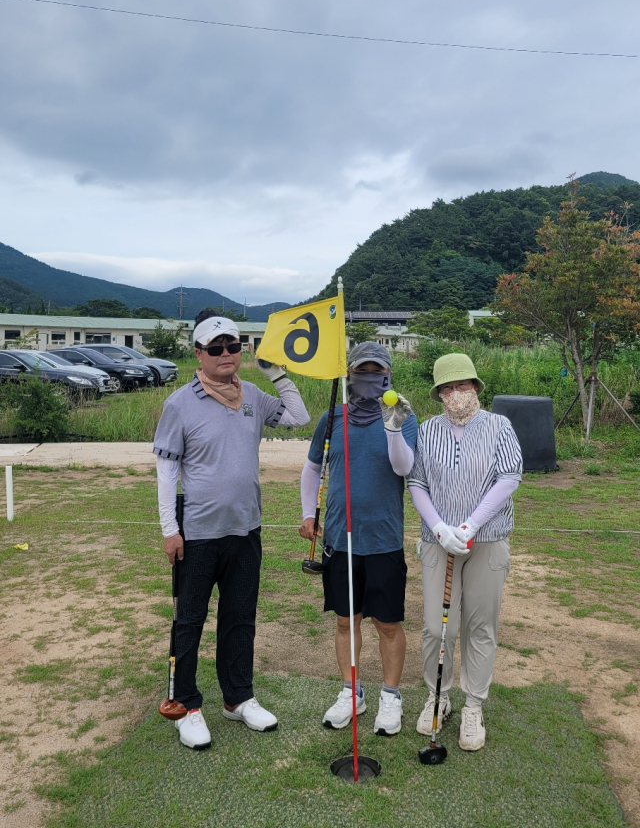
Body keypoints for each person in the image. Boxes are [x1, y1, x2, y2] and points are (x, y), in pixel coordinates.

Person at [154, 310, 310, 750]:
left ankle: (237, 698)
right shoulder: (180, 404)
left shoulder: (253, 397)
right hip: (198, 532)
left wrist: (278, 374)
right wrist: (170, 529)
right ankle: (185, 703)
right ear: (199, 354)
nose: (226, 354)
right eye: (216, 348)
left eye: (233, 346)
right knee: (189, 621)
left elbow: (298, 417)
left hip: (245, 530)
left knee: (240, 618)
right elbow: (167, 471)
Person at [299, 342, 418, 737]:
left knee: (387, 624)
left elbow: (404, 466)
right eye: (362, 372)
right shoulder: (331, 418)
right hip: (339, 538)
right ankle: (352, 692)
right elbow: (312, 467)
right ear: (350, 375)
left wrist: (392, 425)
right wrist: (307, 514)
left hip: (383, 539)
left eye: (377, 372)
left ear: (388, 376)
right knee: (345, 621)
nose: (370, 378)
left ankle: (390, 695)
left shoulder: (404, 415)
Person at [407, 352, 522, 751]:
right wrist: (439, 528)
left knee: (480, 626)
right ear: (440, 393)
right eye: (449, 387)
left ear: (476, 388)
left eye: (464, 385)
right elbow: (416, 482)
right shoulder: (426, 430)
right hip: (439, 542)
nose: (458, 394)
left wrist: (471, 525)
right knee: (438, 628)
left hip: (487, 538)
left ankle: (473, 705)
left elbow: (509, 477)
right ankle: (438, 695)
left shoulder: (499, 426)